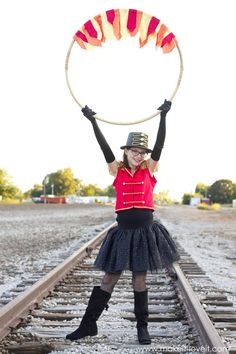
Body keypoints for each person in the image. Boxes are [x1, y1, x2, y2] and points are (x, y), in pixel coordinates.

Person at [66, 100, 180, 345]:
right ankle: (88, 325)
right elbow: (104, 147)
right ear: (126, 151)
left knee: (140, 278)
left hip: (144, 232)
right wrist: (93, 122)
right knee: (109, 278)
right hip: (123, 233)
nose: (139, 156)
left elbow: (159, 146)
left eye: (142, 152)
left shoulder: (149, 168)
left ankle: (142, 328)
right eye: (134, 151)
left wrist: (163, 117)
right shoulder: (116, 170)